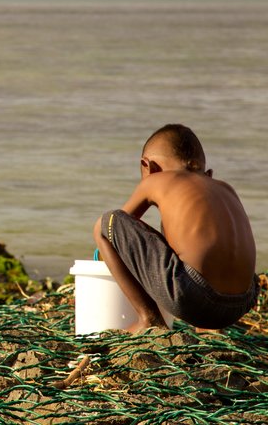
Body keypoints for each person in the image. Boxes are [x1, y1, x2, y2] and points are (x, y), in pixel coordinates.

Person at [92, 124, 257, 332]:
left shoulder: (156, 180)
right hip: (241, 303)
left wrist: (100, 256)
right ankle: (209, 329)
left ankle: (149, 320)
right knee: (184, 233)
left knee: (105, 222)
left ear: (148, 166)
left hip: (193, 298)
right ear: (208, 172)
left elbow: (119, 225)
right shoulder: (226, 188)